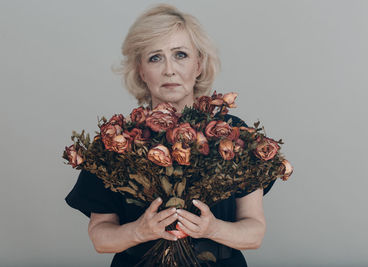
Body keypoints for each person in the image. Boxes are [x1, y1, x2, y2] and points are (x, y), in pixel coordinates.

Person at [65, 4, 275, 267]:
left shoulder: (233, 136)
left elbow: (254, 232)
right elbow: (100, 236)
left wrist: (212, 229)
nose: (169, 70)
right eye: (155, 57)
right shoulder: (116, 141)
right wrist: (139, 232)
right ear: (141, 70)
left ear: (199, 64)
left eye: (180, 55)